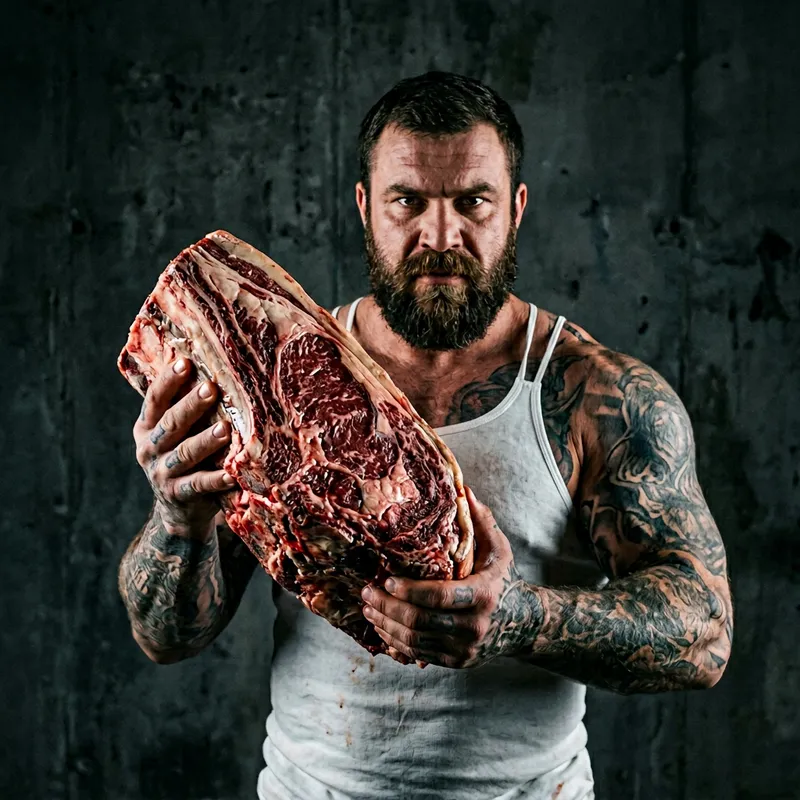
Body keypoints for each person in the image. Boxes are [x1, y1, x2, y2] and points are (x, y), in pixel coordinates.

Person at [118, 72, 733, 800]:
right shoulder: (274, 373)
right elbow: (165, 637)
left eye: (472, 201)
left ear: (517, 210)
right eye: (407, 200)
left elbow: (703, 633)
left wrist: (519, 621)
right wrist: (179, 516)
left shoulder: (598, 396)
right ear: (364, 208)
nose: (440, 235)